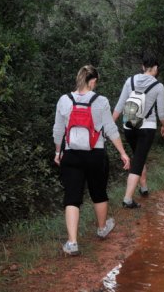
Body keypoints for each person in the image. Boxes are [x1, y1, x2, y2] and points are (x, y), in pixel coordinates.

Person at [53, 65, 130, 256]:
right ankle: (102, 229)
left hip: (71, 154)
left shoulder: (64, 100)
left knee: (72, 197)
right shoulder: (100, 101)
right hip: (95, 154)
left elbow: (58, 130)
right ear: (93, 81)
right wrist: (123, 153)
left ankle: (72, 243)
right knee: (98, 192)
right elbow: (111, 129)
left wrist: (58, 152)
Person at [113, 54, 164, 208]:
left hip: (129, 126)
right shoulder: (158, 86)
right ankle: (127, 199)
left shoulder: (129, 81)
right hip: (146, 128)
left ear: (143, 67)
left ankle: (143, 188)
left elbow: (119, 105)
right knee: (137, 161)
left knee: (139, 155)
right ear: (155, 69)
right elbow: (162, 113)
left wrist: (110, 124)